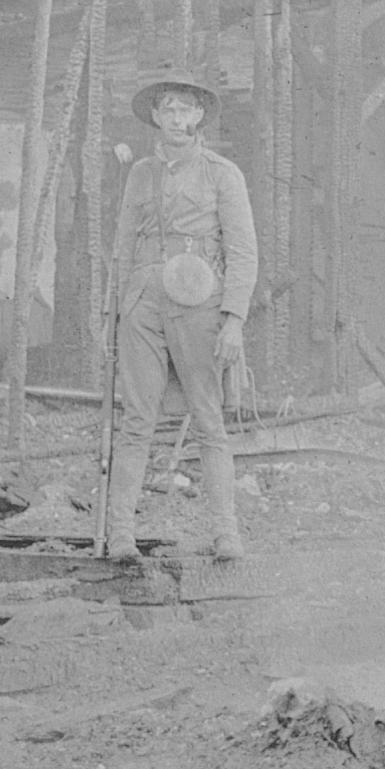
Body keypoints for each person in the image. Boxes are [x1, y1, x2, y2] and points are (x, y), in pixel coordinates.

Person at [105, 69, 258, 560]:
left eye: (184, 109)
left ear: (199, 116)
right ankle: (121, 535)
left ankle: (225, 535)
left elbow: (243, 252)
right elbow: (122, 247)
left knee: (209, 421)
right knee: (136, 422)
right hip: (143, 302)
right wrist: (113, 313)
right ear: (155, 115)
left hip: (199, 301)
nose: (175, 117)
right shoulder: (141, 174)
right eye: (167, 108)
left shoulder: (221, 174)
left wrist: (233, 318)